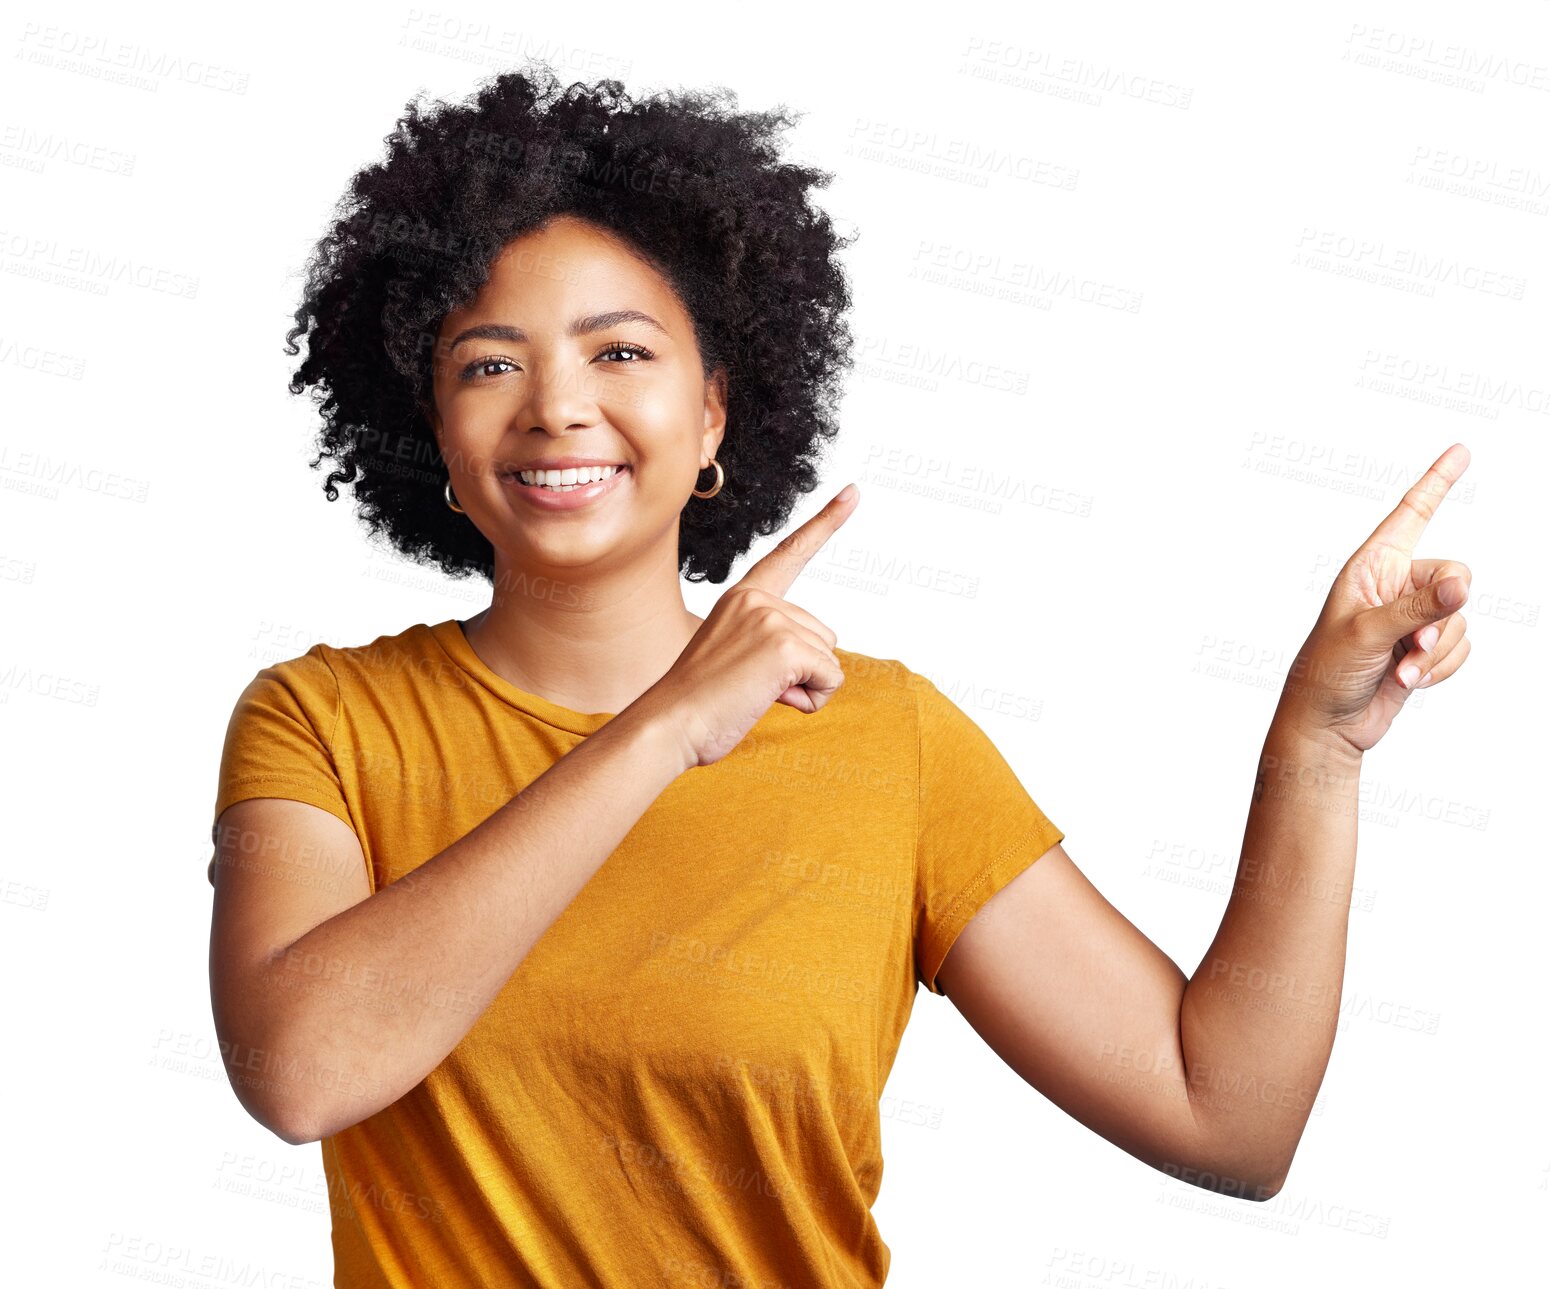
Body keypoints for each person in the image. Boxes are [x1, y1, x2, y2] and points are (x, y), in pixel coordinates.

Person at [208, 64, 1474, 1289]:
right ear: (429, 423)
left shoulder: (887, 742)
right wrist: (661, 730)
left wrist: (1315, 750)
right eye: (489, 363)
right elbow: (303, 1071)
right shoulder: (321, 722)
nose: (554, 406)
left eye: (620, 353)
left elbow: (1228, 1121)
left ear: (714, 410)